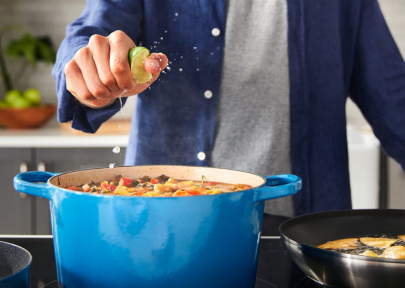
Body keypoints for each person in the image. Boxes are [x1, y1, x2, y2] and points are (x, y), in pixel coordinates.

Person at [52, 0, 405, 218]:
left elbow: (393, 97)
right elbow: (90, 34)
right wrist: (89, 75)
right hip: (165, 217)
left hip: (301, 226)